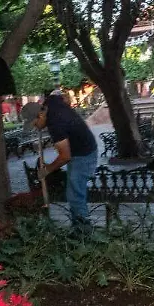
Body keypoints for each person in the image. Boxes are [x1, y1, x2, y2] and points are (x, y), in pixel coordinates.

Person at [20, 91, 99, 231]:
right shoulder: (50, 104)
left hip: (84, 154)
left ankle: (83, 232)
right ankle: (77, 226)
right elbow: (58, 96)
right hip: (79, 148)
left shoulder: (55, 124)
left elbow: (65, 156)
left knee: (75, 194)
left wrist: (47, 170)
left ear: (40, 115)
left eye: (35, 123)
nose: (36, 128)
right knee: (73, 190)